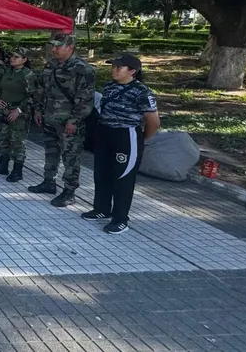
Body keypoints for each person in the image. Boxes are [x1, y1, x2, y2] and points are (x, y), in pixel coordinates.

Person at [81, 54, 161, 234]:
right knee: (102, 173)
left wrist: (142, 140)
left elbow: (154, 122)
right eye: (113, 66)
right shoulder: (110, 86)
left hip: (126, 135)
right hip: (105, 133)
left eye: (119, 67)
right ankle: (102, 209)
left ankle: (120, 219)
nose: (114, 70)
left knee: (123, 178)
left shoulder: (142, 92)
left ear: (132, 71)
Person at [31, 33, 96, 207]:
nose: (54, 49)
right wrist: (38, 110)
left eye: (58, 46)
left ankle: (69, 191)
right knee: (51, 151)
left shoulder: (82, 69)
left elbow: (85, 99)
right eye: (53, 46)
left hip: (69, 122)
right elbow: (42, 90)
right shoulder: (51, 65)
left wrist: (74, 120)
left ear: (70, 47)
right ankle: (48, 181)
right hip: (49, 117)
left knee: (70, 157)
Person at [0, 47, 35, 182]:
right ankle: (3, 165)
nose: (12, 59)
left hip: (18, 114)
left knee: (17, 142)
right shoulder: (8, 71)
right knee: (3, 139)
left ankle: (17, 171)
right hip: (4, 110)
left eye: (16, 57)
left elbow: (33, 96)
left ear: (24, 60)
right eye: (12, 56)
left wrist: (19, 110)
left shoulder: (28, 75)